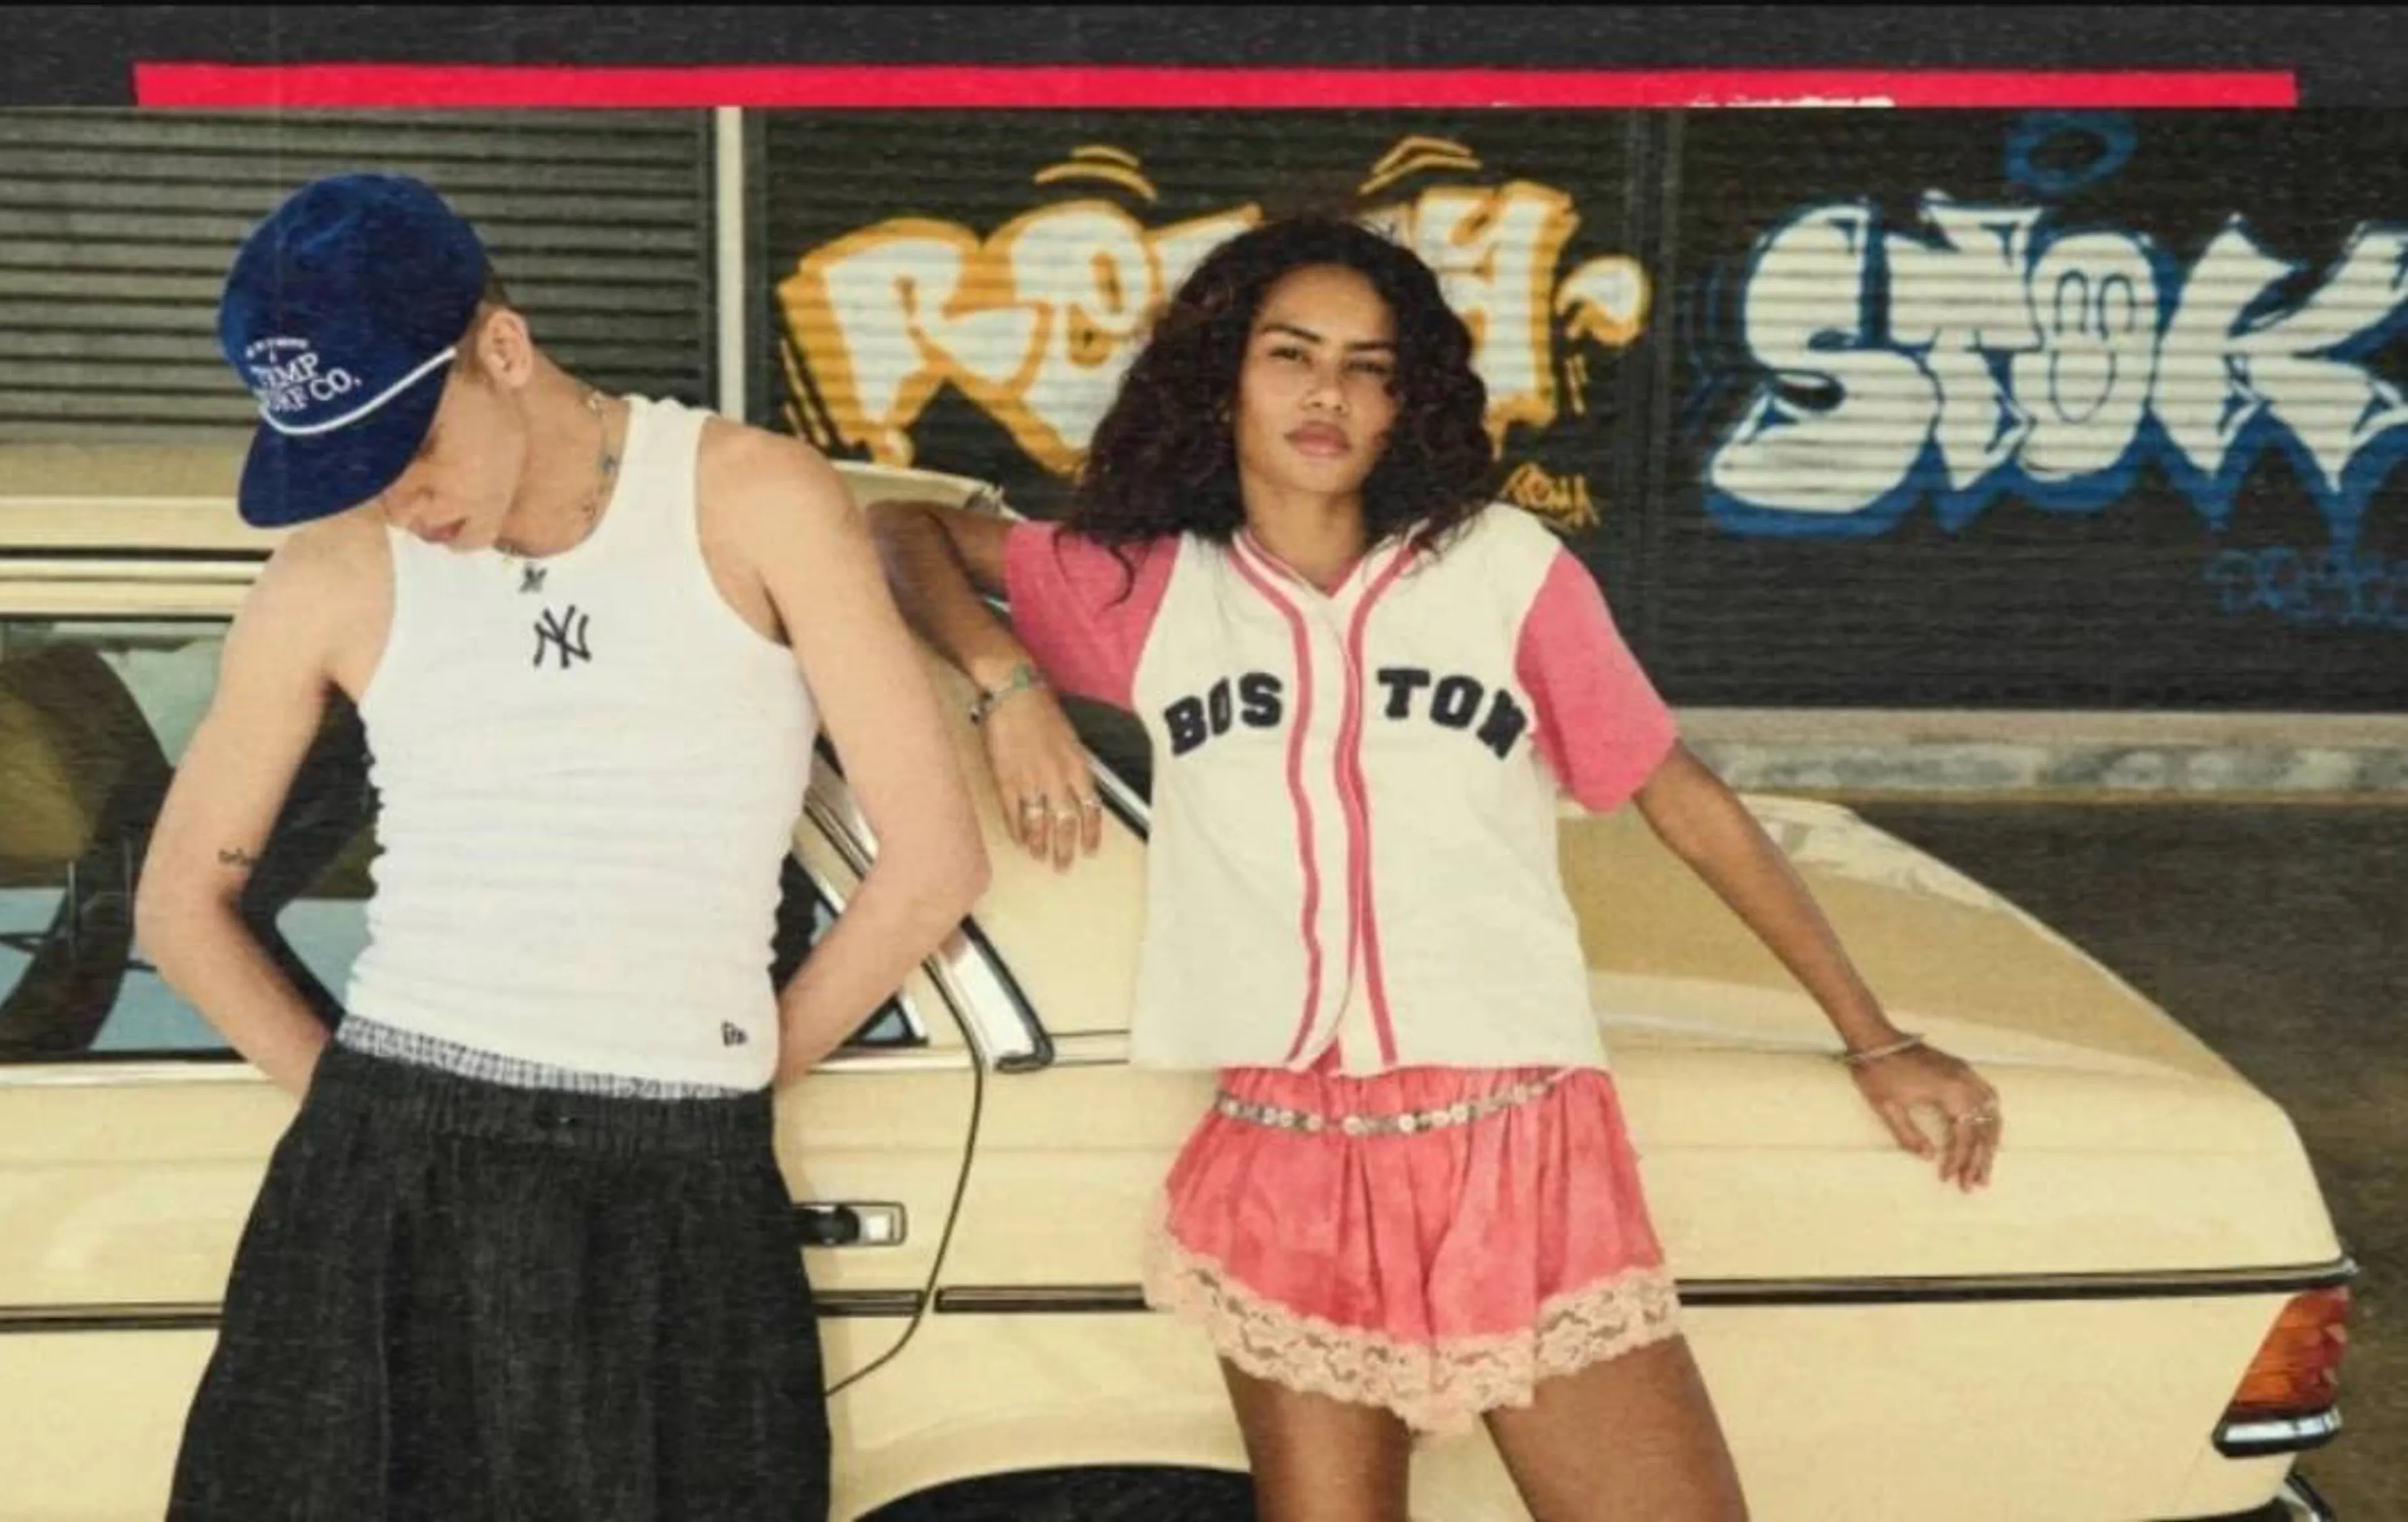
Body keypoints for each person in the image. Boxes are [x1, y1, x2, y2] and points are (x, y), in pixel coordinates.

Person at [866, 213, 2003, 1522]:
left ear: (1406, 403)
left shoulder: (1502, 569)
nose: (1327, 394)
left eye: (1369, 367)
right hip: (1288, 1151)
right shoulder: (1152, 591)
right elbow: (903, 532)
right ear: (1223, 378)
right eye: (1292, 354)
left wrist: (1875, 1036)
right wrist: (1010, 685)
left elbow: (1682, 799)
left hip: (1512, 1141)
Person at [135, 171, 989, 1519]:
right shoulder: (332, 572)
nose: (399, 499)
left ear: (503, 346)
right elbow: (180, 902)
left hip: (682, 1173)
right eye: (350, 468)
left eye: (410, 446)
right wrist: (364, 1112)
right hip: (388, 1167)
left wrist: (728, 1076)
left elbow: (935, 859)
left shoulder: (753, 496)